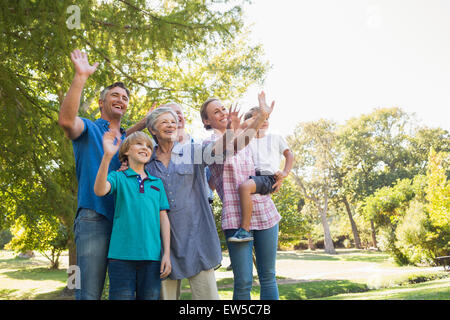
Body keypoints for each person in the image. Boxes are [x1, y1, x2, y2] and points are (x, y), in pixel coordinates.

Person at [58, 49, 148, 299]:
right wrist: (81, 77)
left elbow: (128, 134)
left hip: (125, 223)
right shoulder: (89, 128)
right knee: (87, 293)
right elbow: (66, 121)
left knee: (124, 295)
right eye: (115, 95)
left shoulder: (130, 143)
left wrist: (146, 121)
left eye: (125, 97)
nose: (121, 99)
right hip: (94, 218)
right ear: (101, 103)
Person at [200, 92, 281, 300]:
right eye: (216, 112)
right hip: (235, 218)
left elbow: (250, 139)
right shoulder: (206, 145)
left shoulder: (243, 135)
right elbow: (232, 146)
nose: (222, 113)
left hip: (264, 210)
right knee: (243, 281)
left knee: (268, 276)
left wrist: (262, 115)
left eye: (223, 109)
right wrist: (234, 129)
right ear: (206, 121)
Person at [143, 107, 222, 300]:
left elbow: (224, 149)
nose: (171, 125)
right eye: (164, 122)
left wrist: (248, 126)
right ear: (152, 130)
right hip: (161, 247)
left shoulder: (193, 152)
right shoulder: (145, 161)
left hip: (198, 242)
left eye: (173, 122)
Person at [93, 131, 171, 300]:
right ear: (126, 151)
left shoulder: (157, 183)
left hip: (151, 257)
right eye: (139, 144)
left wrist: (166, 254)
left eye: (148, 146)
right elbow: (99, 190)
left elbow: (163, 219)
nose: (145, 148)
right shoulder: (118, 177)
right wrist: (107, 157)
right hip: (121, 257)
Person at [228, 107, 294, 242]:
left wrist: (284, 173)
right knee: (245, 187)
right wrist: (241, 125)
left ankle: (245, 230)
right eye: (259, 119)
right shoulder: (248, 141)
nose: (264, 121)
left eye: (266, 118)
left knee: (244, 188)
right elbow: (234, 143)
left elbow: (289, 154)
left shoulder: (275, 137)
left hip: (269, 177)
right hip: (255, 176)